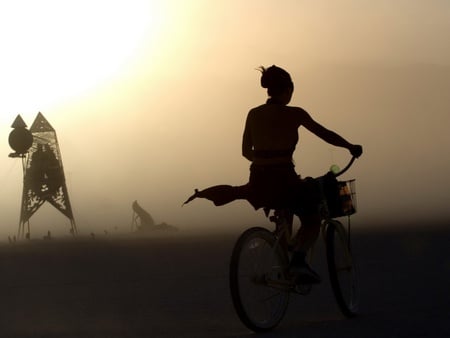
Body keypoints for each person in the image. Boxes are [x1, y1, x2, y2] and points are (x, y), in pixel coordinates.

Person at [242, 65, 363, 284]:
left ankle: (286, 243)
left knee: (285, 202)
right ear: (288, 90)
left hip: (259, 180)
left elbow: (245, 152)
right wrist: (349, 146)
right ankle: (298, 260)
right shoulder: (295, 113)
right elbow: (324, 133)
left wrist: (265, 162)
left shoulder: (253, 114)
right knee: (312, 218)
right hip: (285, 179)